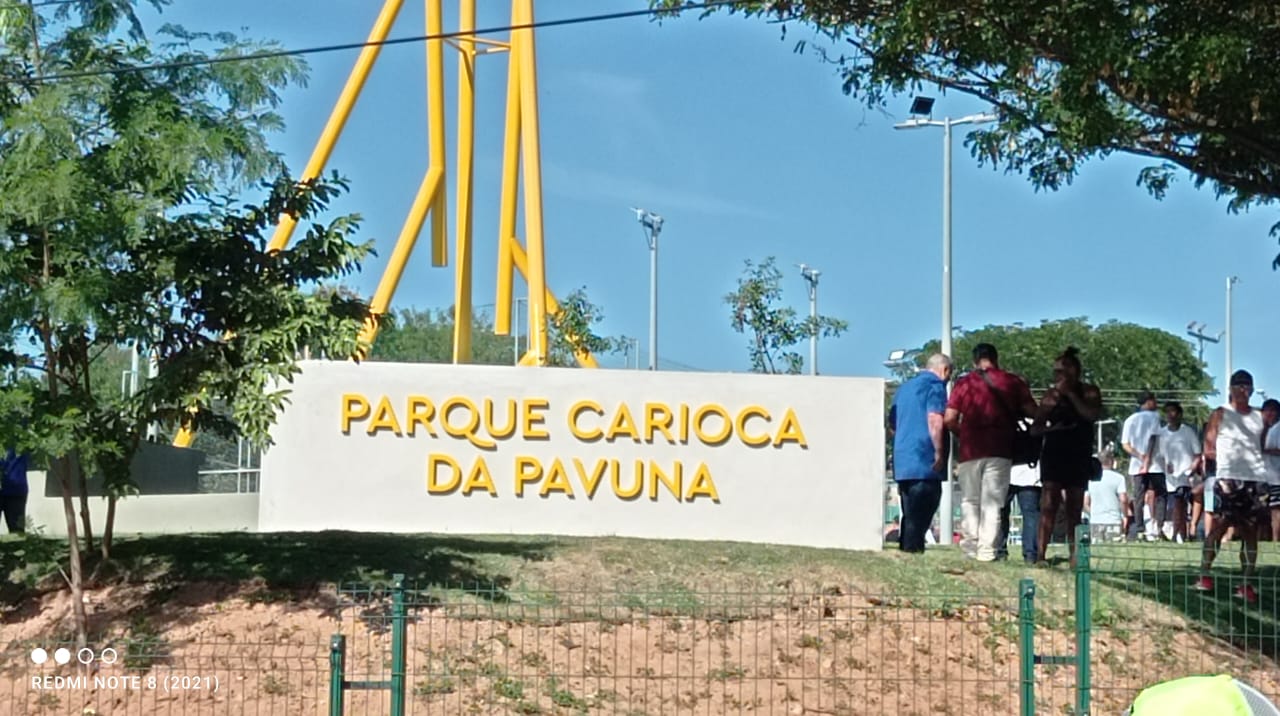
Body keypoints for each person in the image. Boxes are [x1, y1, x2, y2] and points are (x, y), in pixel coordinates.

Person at [944, 343, 1037, 562]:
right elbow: (1033, 411)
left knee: (970, 500)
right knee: (992, 503)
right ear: (996, 358)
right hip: (1000, 449)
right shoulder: (1012, 382)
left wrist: (964, 434)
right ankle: (987, 551)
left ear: (975, 360)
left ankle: (970, 548)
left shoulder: (964, 383)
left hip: (970, 450)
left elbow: (949, 418)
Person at [1194, 370, 1268, 602]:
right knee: (1218, 527)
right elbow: (1208, 447)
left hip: (1254, 480)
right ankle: (1204, 574)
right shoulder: (1220, 414)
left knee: (1250, 532)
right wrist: (1224, 463)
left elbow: (1263, 446)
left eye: (1247, 386)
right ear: (1231, 389)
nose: (1244, 390)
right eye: (1239, 386)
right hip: (1227, 478)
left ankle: (1246, 583)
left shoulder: (1259, 416)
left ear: (1252, 389)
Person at [1031, 347, 1102, 566]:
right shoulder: (1050, 395)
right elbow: (1035, 428)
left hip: (1079, 454)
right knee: (1048, 504)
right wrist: (1052, 428)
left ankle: (1075, 555)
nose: (1057, 376)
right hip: (1054, 453)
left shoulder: (1089, 392)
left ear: (1074, 371)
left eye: (1061, 371)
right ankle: (1040, 554)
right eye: (1055, 372)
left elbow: (1091, 415)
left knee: (1075, 507)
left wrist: (1071, 394)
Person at [888, 353, 954, 554]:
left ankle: (906, 547)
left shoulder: (904, 388)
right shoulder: (935, 386)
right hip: (925, 459)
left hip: (903, 459)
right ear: (945, 370)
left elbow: (892, 424)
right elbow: (935, 419)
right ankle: (913, 549)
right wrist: (939, 452)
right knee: (925, 507)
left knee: (909, 511)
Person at [1157, 401, 1203, 543]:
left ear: (1179, 414)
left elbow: (1197, 454)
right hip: (1171, 478)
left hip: (1188, 475)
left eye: (1173, 412)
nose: (1170, 415)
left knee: (1188, 501)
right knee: (1176, 505)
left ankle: (1188, 530)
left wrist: (1191, 469)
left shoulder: (1187, 432)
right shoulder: (1162, 433)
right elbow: (1160, 456)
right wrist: (1166, 466)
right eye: (1167, 412)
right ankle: (1177, 533)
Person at [1122, 392, 1165, 541]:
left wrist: (1138, 456)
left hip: (1136, 466)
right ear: (1148, 402)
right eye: (1154, 400)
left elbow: (1125, 444)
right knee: (1160, 495)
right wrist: (1147, 459)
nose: (1156, 403)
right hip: (1155, 465)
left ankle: (1140, 528)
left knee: (1138, 498)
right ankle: (1159, 527)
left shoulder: (1130, 420)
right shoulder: (1155, 417)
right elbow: (1153, 438)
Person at [996, 459, 1041, 563]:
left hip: (1005, 471)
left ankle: (999, 551)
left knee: (999, 514)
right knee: (1030, 517)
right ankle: (1030, 555)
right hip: (1030, 474)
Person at [1085, 454, 1130, 542]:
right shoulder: (1119, 478)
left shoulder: (1090, 479)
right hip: (1113, 520)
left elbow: (1085, 503)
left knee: (1097, 548)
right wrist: (1125, 516)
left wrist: (1093, 513)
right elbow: (1123, 500)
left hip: (1095, 521)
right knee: (1113, 547)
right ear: (1111, 462)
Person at [1261, 398, 1280, 542]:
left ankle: (1275, 539)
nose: (1269, 414)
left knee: (1276, 509)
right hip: (1264, 476)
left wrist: (1264, 451)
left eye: (1272, 411)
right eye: (1266, 411)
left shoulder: (1278, 429)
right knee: (1262, 509)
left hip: (1276, 476)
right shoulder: (1264, 429)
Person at [0, 447, 29, 534]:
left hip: (16, 488)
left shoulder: (22, 442)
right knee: (17, 531)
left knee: (17, 532)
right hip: (17, 486)